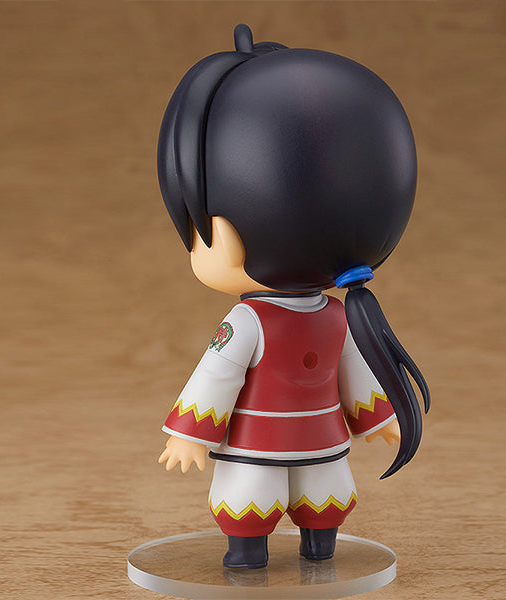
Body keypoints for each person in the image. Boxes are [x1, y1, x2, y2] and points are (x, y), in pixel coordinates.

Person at [156, 24, 430, 569]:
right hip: (274, 443)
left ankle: (306, 546)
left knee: (314, 499)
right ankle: (254, 551)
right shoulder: (323, 315)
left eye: (195, 230)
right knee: (256, 501)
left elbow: (219, 375)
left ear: (224, 232)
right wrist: (189, 434)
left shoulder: (266, 320)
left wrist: (378, 417)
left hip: (304, 441)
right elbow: (218, 379)